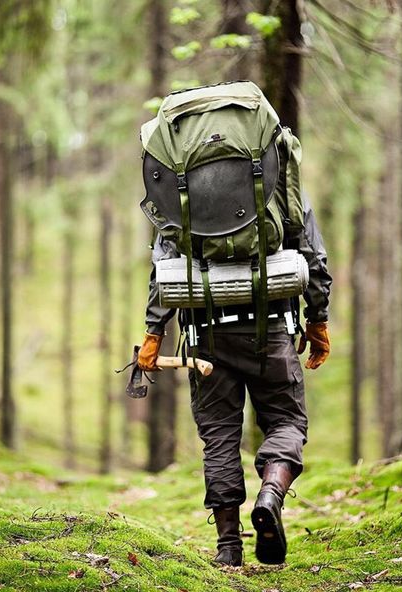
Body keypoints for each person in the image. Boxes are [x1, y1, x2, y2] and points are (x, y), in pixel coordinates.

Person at [137, 191, 332, 567]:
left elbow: (164, 262)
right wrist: (318, 318)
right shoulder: (274, 171)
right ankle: (271, 495)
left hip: (204, 332)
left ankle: (229, 548)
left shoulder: (182, 182)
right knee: (287, 421)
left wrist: (153, 331)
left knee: (220, 436)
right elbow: (312, 253)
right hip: (272, 326)